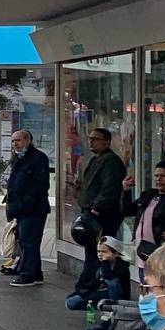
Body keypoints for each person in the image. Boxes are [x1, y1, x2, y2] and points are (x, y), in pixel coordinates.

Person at [73, 128, 127, 299]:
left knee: (100, 251)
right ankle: (88, 285)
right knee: (92, 251)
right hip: (92, 211)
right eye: (90, 139)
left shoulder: (111, 161)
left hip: (102, 214)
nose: (91, 142)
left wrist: (96, 208)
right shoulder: (97, 160)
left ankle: (92, 286)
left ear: (107, 142)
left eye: (95, 139)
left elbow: (110, 187)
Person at [4, 130, 52, 287]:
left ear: (27, 141)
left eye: (17, 140)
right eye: (12, 141)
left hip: (33, 209)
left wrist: (25, 202)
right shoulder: (18, 158)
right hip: (22, 208)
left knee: (28, 241)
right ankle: (35, 273)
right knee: (28, 241)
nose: (14, 144)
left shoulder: (37, 158)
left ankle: (27, 274)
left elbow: (40, 185)